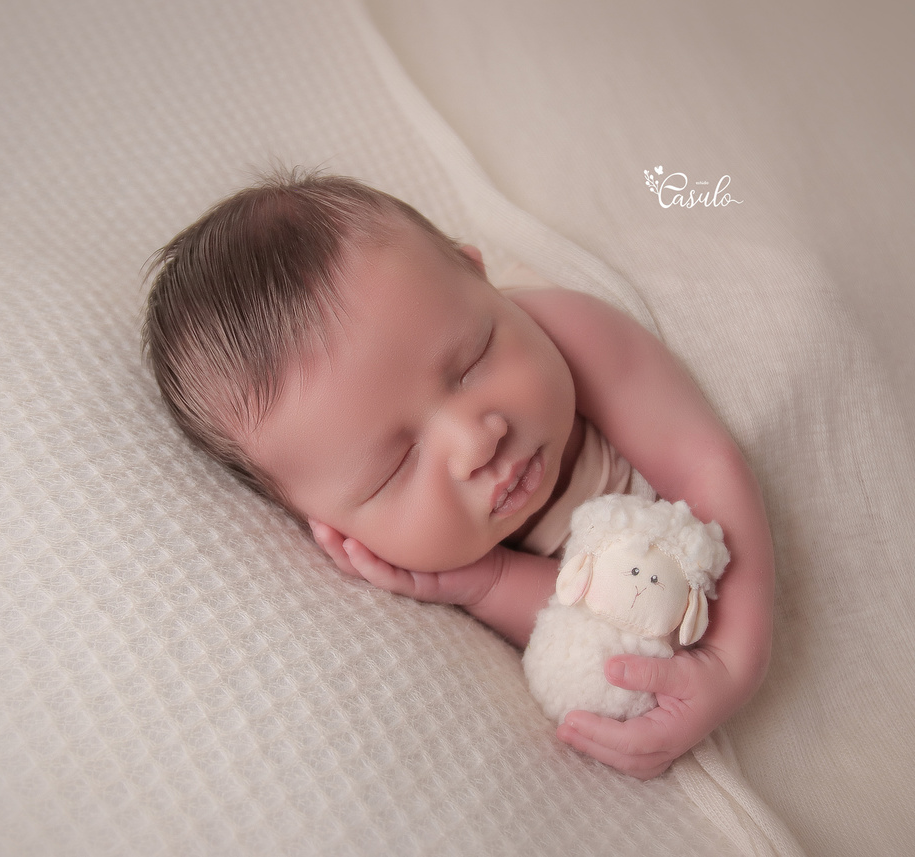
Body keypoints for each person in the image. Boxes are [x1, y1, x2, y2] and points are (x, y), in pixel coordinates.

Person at [142, 170, 773, 779]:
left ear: (479, 275)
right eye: (397, 464)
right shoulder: (430, 551)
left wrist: (732, 662)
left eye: (471, 363)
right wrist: (484, 583)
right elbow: (588, 615)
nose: (475, 443)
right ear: (327, 526)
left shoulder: (569, 332)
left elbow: (703, 463)